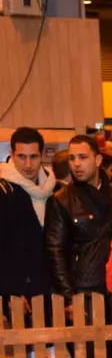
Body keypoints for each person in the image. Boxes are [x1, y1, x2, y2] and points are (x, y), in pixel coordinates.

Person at [45, 134, 112, 301]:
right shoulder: (61, 200)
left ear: (97, 160)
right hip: (83, 291)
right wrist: (69, 297)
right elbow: (55, 252)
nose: (76, 164)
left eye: (83, 157)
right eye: (71, 158)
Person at [0, 126, 54, 308]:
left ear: (42, 155)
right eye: (22, 157)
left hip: (51, 290)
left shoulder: (55, 189)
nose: (28, 164)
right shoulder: (3, 191)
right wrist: (9, 291)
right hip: (17, 293)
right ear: (12, 154)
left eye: (34, 157)